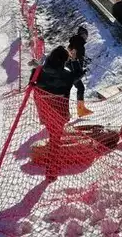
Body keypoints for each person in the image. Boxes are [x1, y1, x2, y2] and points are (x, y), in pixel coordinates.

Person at [32, 46, 83, 178]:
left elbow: (32, 85)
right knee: (55, 139)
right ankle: (51, 169)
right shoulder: (67, 76)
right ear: (63, 61)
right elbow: (79, 74)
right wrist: (74, 60)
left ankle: (52, 163)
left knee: (53, 137)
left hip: (44, 110)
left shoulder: (36, 72)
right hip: (60, 112)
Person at [67, 27, 93, 117]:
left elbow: (76, 55)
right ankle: (80, 110)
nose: (87, 36)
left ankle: (80, 109)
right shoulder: (79, 43)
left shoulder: (74, 42)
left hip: (69, 68)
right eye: (86, 34)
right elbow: (75, 57)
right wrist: (81, 70)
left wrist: (84, 59)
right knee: (80, 88)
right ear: (82, 34)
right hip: (73, 69)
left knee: (79, 88)